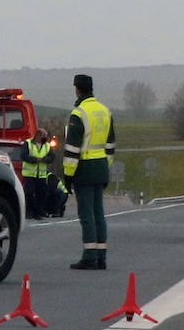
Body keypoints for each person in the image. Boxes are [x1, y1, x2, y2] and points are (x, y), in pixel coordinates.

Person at [62, 74, 116, 270]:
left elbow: (72, 149)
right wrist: (105, 166)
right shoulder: (105, 111)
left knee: (86, 214)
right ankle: (101, 257)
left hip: (84, 169)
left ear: (77, 89)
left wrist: (68, 175)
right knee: (98, 213)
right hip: (101, 167)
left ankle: (89, 256)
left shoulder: (79, 113)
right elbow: (110, 146)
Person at [18, 127, 53, 220]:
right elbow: (24, 156)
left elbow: (52, 157)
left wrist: (45, 159)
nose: (45, 138)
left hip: (41, 175)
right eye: (44, 136)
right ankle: (30, 212)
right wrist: (35, 160)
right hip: (29, 174)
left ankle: (38, 211)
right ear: (38, 135)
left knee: (41, 193)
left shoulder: (47, 146)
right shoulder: (28, 143)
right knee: (29, 193)